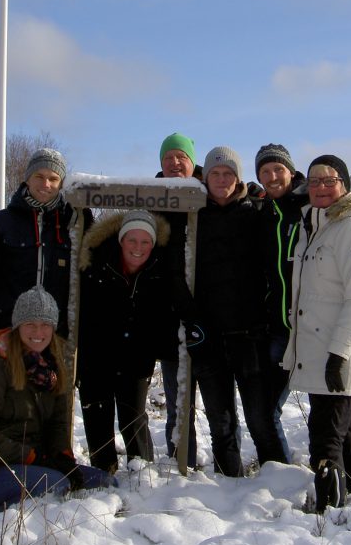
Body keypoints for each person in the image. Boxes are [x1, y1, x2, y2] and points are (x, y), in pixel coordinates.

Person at [282, 155, 351, 511]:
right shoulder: (316, 225)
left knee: (325, 441)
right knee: (345, 438)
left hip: (340, 353)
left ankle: (329, 516)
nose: (321, 188)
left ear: (344, 184)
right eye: (314, 182)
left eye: (329, 181)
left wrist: (339, 353)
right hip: (317, 351)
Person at [0, 286, 114, 510]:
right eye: (30, 324)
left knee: (106, 483)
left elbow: (58, 423)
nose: (38, 332)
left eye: (45, 325)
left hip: (39, 463)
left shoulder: (54, 366)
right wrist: (32, 457)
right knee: (56, 485)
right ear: (18, 326)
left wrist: (62, 457)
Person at [189, 146, 288, 477]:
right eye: (215, 174)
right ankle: (228, 486)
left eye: (228, 173)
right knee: (221, 423)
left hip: (250, 335)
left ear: (239, 177)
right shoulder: (193, 215)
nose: (221, 179)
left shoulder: (256, 213)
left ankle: (279, 485)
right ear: (205, 178)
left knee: (260, 420)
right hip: (208, 336)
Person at [77, 209, 188, 473]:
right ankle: (102, 473)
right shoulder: (97, 262)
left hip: (136, 355)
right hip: (96, 352)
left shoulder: (157, 270)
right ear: (120, 240)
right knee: (97, 414)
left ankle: (141, 473)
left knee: (133, 416)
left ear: (153, 244)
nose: (138, 248)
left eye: (145, 242)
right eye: (132, 240)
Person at [0, 148, 78, 357]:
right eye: (39, 176)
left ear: (61, 183)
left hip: (55, 340)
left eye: (53, 179)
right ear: (28, 178)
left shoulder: (71, 225)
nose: (46, 184)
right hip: (6, 337)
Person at [255, 143, 308, 460]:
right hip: (278, 330)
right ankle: (276, 477)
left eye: (278, 169)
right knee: (265, 411)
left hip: (314, 328)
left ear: (290, 170)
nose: (272, 176)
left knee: (328, 414)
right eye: (265, 171)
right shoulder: (262, 214)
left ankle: (339, 478)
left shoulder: (311, 207)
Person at [155, 132, 203, 466]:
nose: (174, 163)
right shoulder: (149, 196)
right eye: (168, 158)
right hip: (169, 315)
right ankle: (180, 458)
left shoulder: (208, 194)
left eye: (180, 157)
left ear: (191, 162)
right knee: (177, 397)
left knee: (219, 400)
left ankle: (230, 471)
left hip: (210, 314)